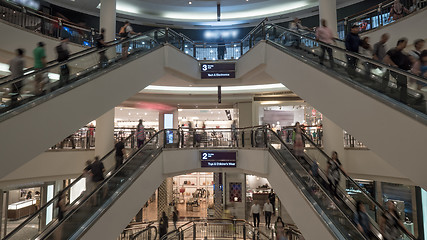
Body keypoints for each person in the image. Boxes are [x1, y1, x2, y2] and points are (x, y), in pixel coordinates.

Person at [383, 38, 412, 103]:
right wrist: (394, 65)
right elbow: (386, 58)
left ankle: (402, 100)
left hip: (402, 73)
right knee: (401, 86)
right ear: (400, 43)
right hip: (396, 72)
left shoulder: (403, 53)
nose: (405, 45)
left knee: (402, 86)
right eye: (405, 43)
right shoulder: (393, 50)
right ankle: (401, 100)